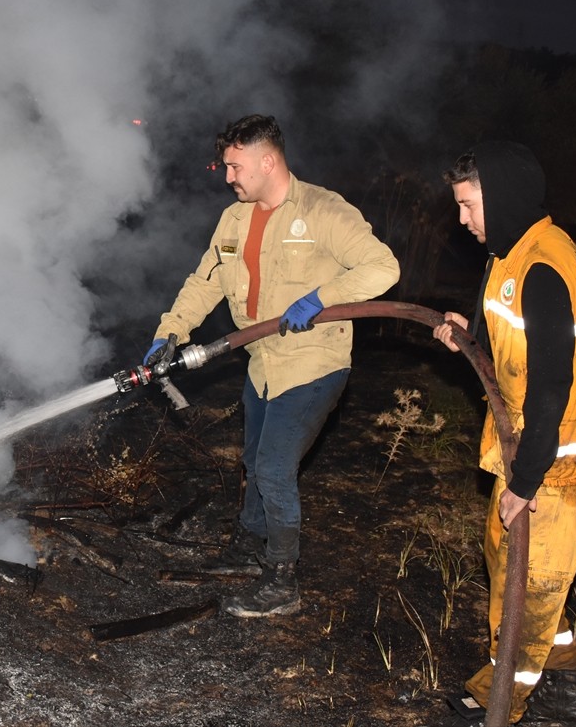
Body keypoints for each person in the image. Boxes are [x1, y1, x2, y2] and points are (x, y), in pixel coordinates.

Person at [143, 114, 399, 617]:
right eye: (226, 167)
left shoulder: (324, 210)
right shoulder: (234, 220)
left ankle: (283, 581)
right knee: (254, 458)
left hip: (314, 362)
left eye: (235, 167)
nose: (228, 177)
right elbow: (205, 282)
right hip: (263, 361)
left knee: (274, 466)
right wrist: (169, 332)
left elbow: (383, 267)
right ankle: (248, 545)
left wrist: (322, 297)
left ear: (267, 161)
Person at [433, 142, 576, 726]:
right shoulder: (508, 253)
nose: (462, 219)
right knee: (509, 563)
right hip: (528, 451)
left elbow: (551, 383)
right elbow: (511, 341)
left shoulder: (544, 266)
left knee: (529, 587)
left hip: (560, 461)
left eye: (469, 205)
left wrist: (528, 478)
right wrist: (468, 335)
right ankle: (569, 691)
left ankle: (499, 699)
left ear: (504, 196)